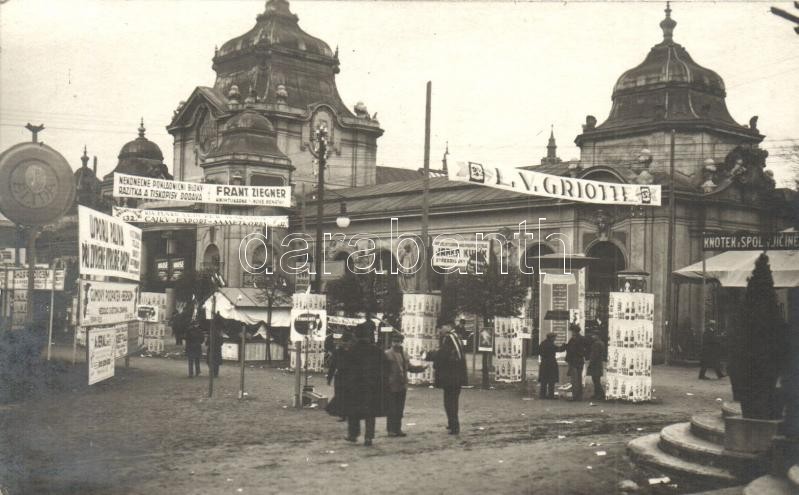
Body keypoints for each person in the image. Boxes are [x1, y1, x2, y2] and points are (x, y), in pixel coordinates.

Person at [328, 323, 388, 446]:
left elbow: (343, 368)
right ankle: (368, 437)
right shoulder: (376, 351)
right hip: (371, 387)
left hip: (354, 387)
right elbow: (386, 367)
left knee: (352, 411)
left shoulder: (350, 351)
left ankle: (353, 435)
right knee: (370, 413)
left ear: (356, 335)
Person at [423, 323, 468, 434]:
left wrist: (428, 355)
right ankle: (452, 423)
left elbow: (442, 355)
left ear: (447, 326)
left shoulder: (449, 338)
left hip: (451, 377)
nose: (439, 331)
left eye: (440, 328)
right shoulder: (456, 337)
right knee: (452, 400)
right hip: (457, 376)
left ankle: (454, 426)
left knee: (450, 401)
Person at [384, 333, 427, 437]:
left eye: (398, 341)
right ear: (391, 342)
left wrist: (421, 368)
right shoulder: (387, 354)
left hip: (402, 385)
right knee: (392, 408)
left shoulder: (404, 354)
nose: (396, 344)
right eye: (394, 341)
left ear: (401, 342)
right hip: (391, 385)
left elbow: (409, 367)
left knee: (399, 409)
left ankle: (397, 429)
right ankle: (391, 430)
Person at [326, 330, 354, 422]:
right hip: (341, 376)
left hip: (350, 376)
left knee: (349, 395)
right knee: (339, 395)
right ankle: (342, 414)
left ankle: (347, 414)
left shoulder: (353, 351)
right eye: (346, 341)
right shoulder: (337, 352)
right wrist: (329, 378)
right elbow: (332, 366)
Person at [565, 323, 588, 401]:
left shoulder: (574, 339)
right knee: (579, 379)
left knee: (574, 380)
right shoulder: (583, 338)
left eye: (571, 331)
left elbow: (571, 350)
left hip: (574, 361)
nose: (571, 332)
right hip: (580, 361)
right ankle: (579, 396)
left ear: (574, 331)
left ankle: (575, 396)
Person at [538, 332, 565, 399]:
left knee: (544, 380)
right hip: (551, 363)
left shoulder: (543, 343)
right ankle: (551, 395)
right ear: (551, 338)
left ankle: (542, 395)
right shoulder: (551, 344)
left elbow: (539, 351)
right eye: (554, 337)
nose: (555, 339)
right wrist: (564, 346)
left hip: (544, 362)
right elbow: (559, 349)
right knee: (551, 380)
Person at [587, 331, 606, 400]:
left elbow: (595, 355)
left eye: (593, 335)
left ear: (597, 336)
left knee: (595, 380)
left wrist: (591, 363)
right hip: (599, 363)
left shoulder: (596, 344)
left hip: (595, 364)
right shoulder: (601, 343)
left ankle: (600, 394)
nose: (592, 337)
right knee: (596, 379)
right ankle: (597, 394)